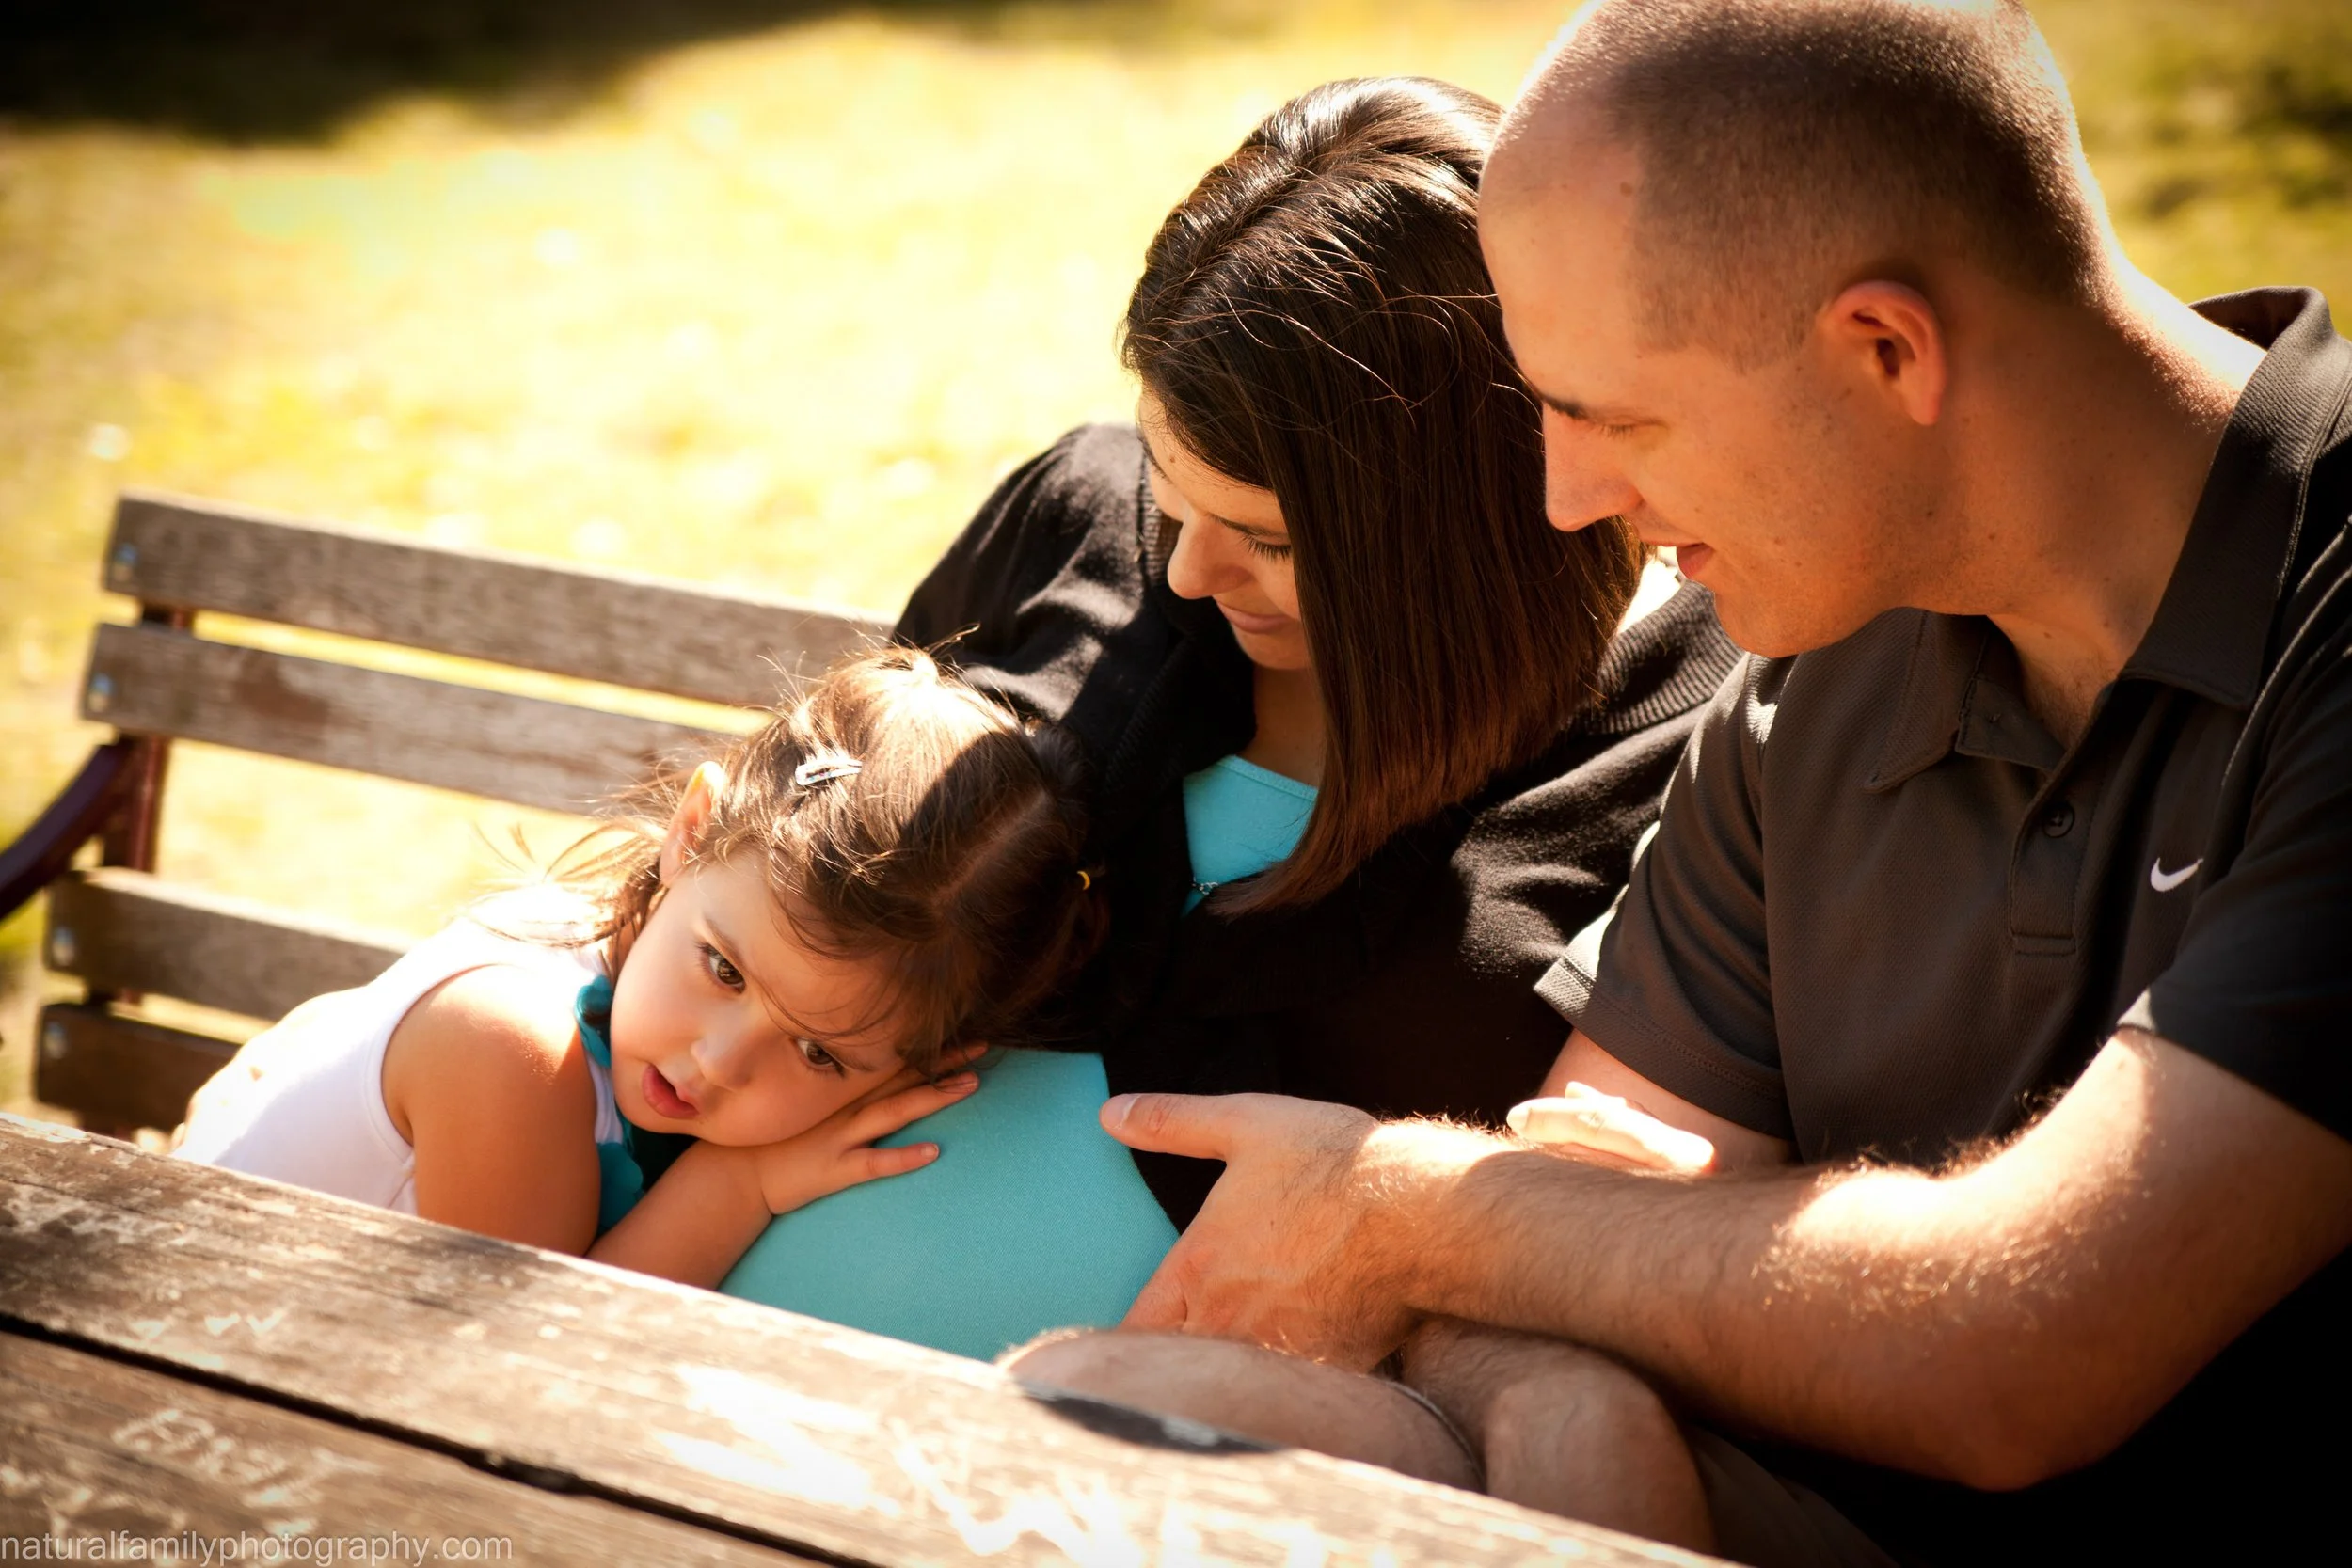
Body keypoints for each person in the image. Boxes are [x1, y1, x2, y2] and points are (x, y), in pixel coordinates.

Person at [1004, 3, 2352, 1564]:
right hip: (1745, 1508)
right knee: (1085, 1408)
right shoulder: (1827, 658)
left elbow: (2025, 1347)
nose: (1570, 499)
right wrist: (1584, 1409)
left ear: (1886, 348)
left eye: (1607, 415)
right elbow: (1560, 1220)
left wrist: (1402, 1204)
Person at [718, 76, 1739, 1378]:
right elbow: (760, 883)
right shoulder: (1078, 514)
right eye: (1167, 483)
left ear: (1478, 536)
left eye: (1266, 536)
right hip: (675, 1335)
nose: (1189, 572)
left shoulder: (1704, 733)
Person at [175, 647, 1143, 1307]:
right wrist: (738, 1183)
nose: (719, 1059)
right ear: (689, 835)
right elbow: (520, 1372)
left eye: (817, 1049)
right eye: (724, 968)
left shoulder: (619, 984)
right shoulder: (512, 1044)